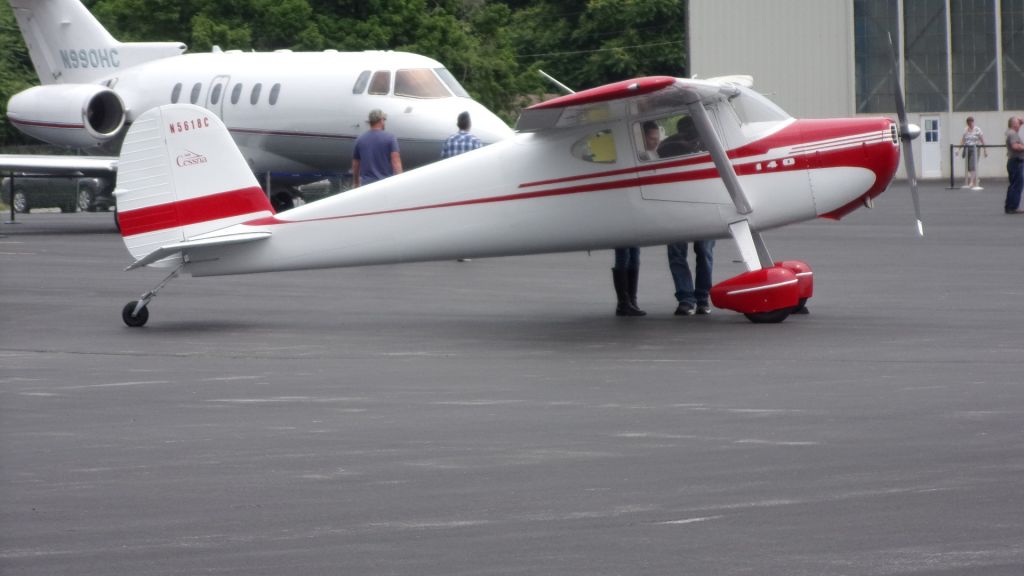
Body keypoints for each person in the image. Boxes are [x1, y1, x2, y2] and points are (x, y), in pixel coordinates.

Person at [352, 109, 402, 188]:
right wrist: (400, 182)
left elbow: (356, 165)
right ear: (381, 120)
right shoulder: (390, 138)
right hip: (386, 185)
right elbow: (396, 162)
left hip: (366, 186)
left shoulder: (360, 139)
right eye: (384, 120)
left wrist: (356, 183)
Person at [1004, 116, 1024, 214]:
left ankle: (1010, 206)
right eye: (1017, 122)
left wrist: (1021, 121)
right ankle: (1013, 207)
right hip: (1016, 161)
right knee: (1017, 185)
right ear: (1013, 124)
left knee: (1013, 184)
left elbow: (1018, 124)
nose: (1019, 124)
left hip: (1013, 161)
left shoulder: (1010, 132)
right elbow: (1015, 146)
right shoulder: (1013, 134)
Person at [960, 116, 986, 190]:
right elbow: (963, 139)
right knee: (968, 166)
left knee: (972, 164)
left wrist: (985, 150)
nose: (970, 124)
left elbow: (982, 139)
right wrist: (959, 149)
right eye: (968, 123)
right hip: (967, 148)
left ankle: (971, 181)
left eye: (971, 123)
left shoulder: (977, 129)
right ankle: (975, 179)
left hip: (975, 148)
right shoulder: (966, 130)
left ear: (973, 122)